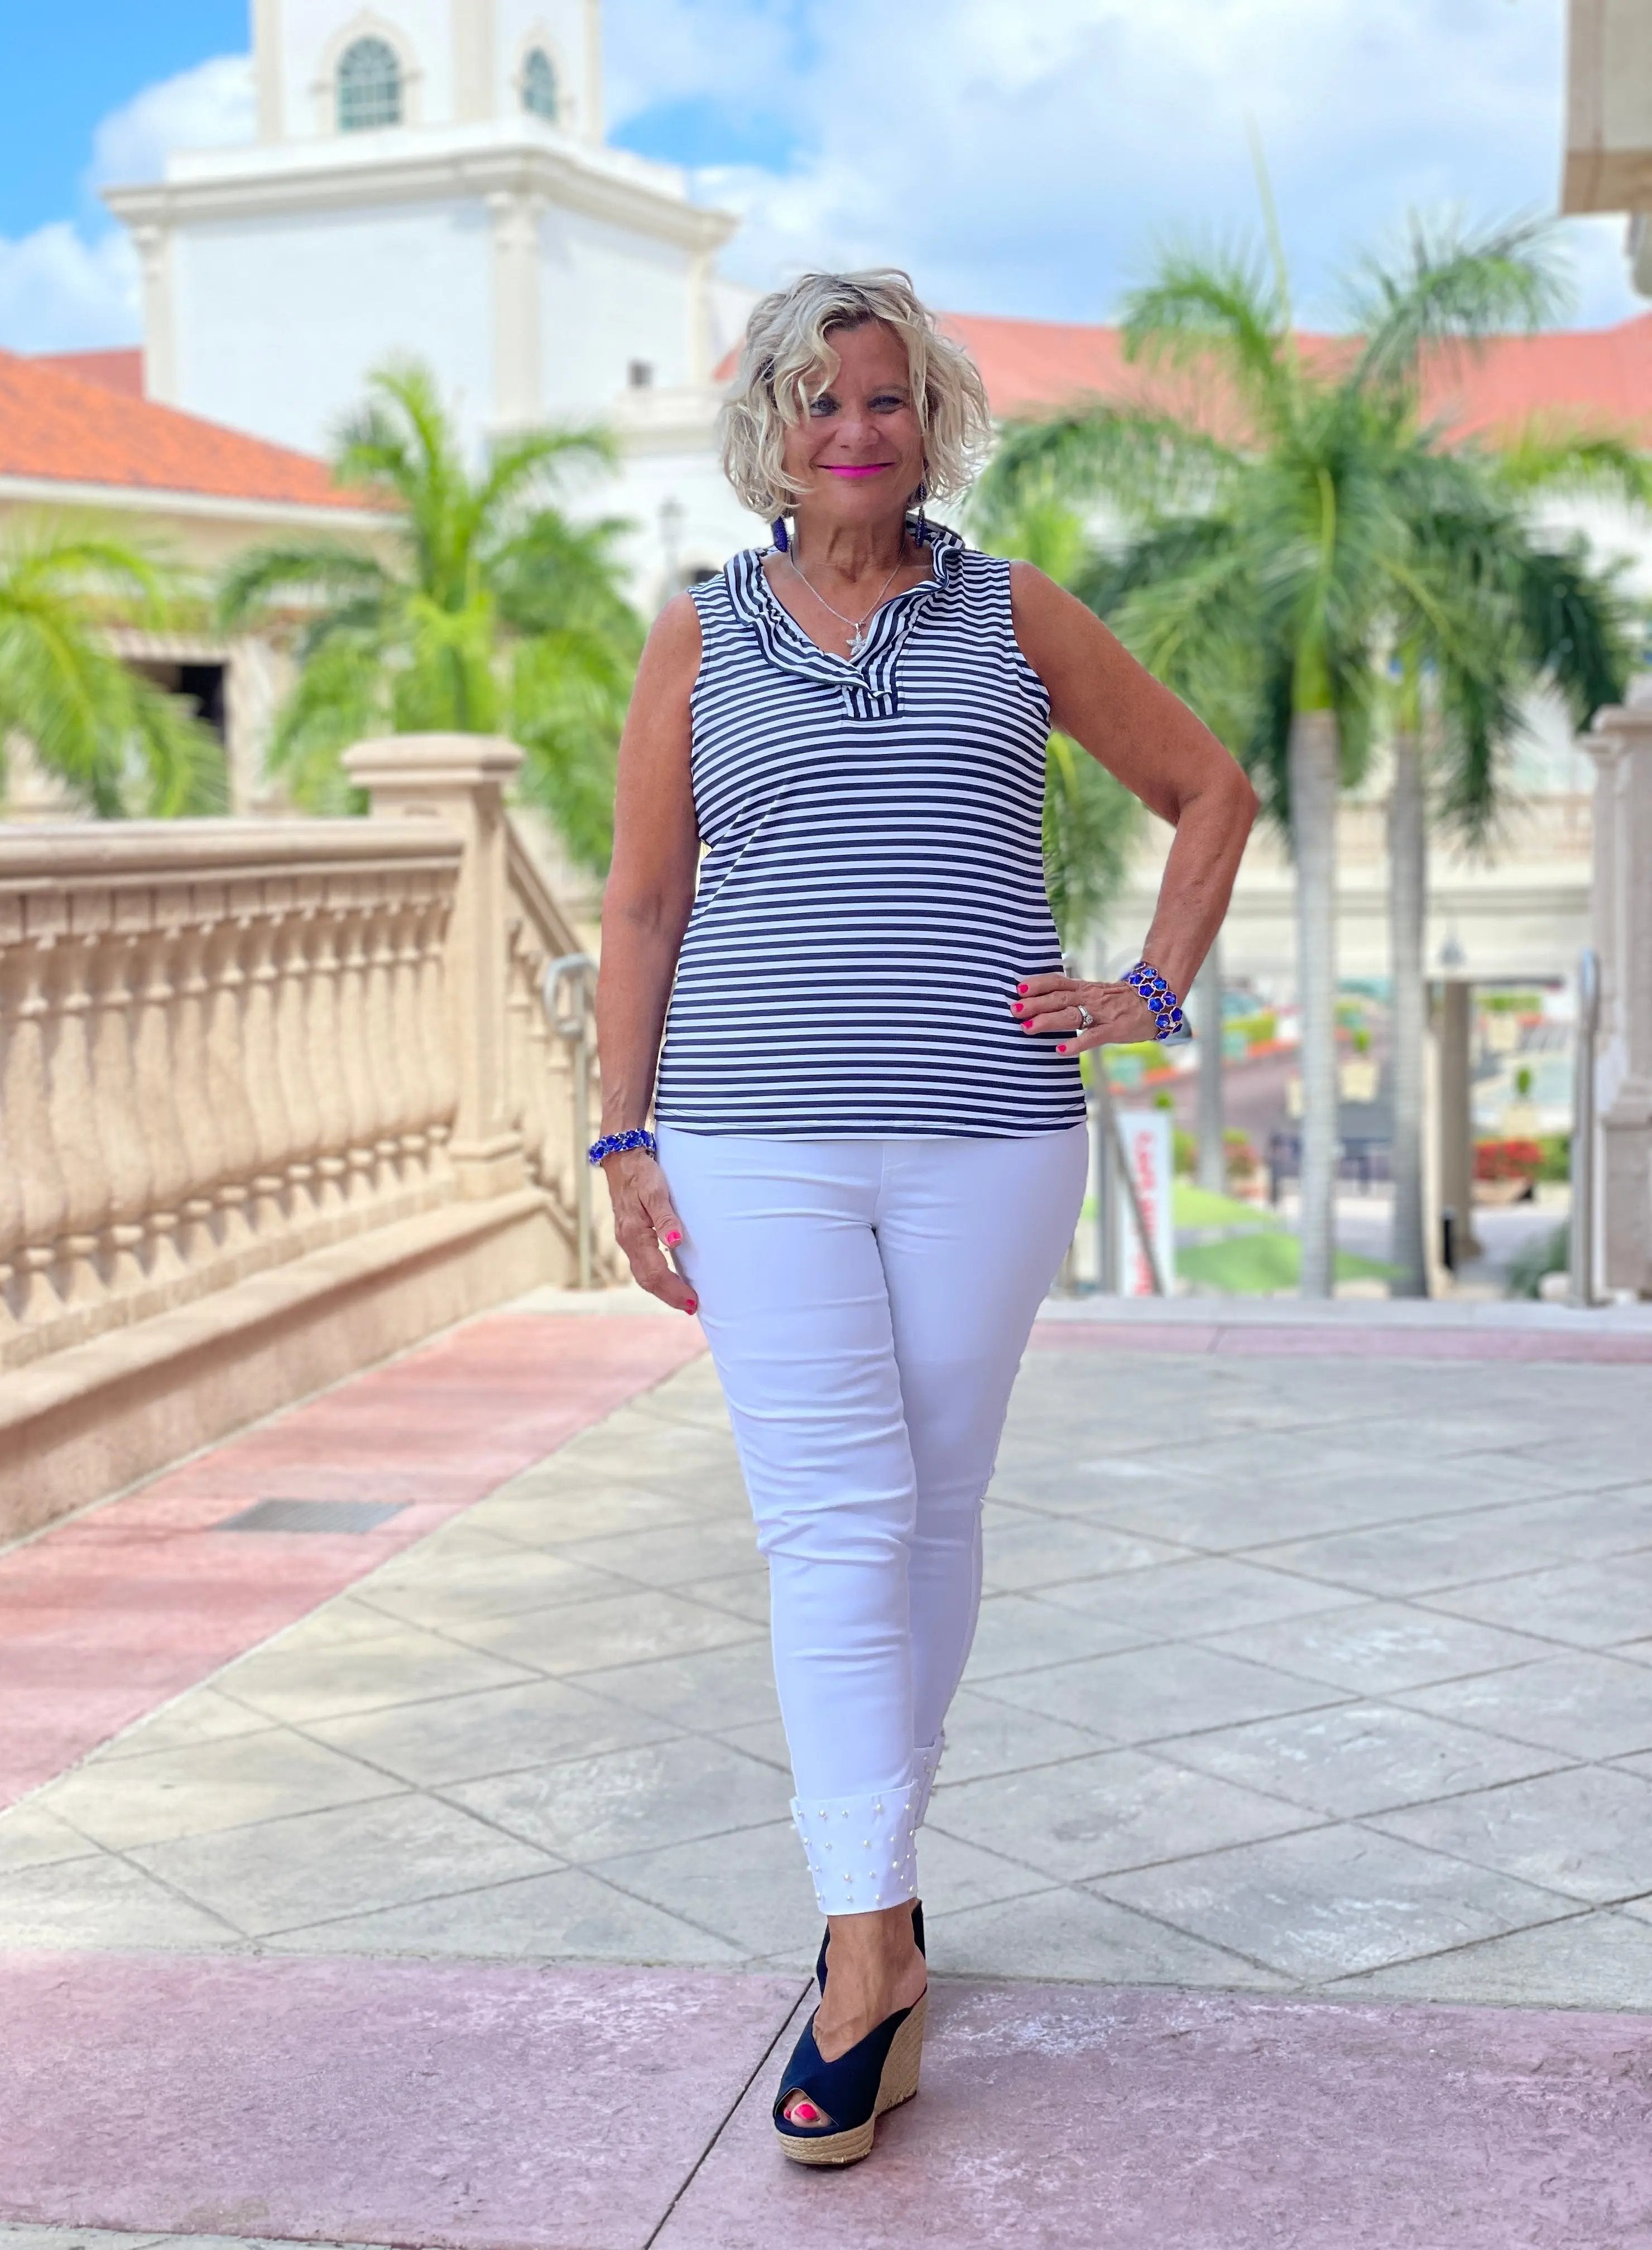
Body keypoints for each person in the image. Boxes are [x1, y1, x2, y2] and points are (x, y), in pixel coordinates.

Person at [593, 269, 1256, 2165]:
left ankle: (866, 1899)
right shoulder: (698, 632)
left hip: (988, 1138)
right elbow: (644, 902)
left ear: (933, 420)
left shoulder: (1012, 610)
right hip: (752, 1140)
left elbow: (1208, 789)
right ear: (769, 429)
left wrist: (1151, 989)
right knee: (833, 1521)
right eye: (820, 401)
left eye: (886, 398)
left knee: (935, 1512)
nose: (856, 431)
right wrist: (623, 1140)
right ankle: (868, 1949)